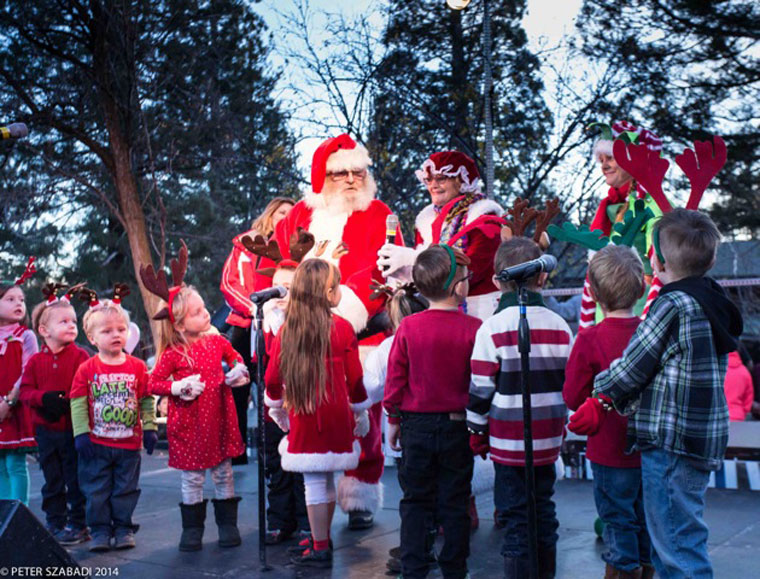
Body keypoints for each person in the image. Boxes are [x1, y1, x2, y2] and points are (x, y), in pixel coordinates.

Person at [579, 209, 743, 578]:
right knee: (685, 534)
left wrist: (600, 391)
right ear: (712, 258)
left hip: (670, 444)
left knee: (673, 547)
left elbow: (635, 364)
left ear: (656, 260)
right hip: (701, 440)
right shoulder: (713, 300)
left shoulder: (672, 305)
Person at [273, 133, 400, 529]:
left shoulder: (380, 213)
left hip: (361, 327)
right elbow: (281, 261)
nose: (350, 179)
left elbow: (385, 268)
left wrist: (345, 308)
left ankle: (360, 492)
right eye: (340, 172)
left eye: (357, 171)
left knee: (363, 413)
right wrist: (291, 308)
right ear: (323, 177)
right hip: (302, 333)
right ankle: (312, 498)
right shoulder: (299, 216)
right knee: (310, 415)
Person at [467, 237, 573, 579]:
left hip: (509, 443)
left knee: (516, 517)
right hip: (546, 442)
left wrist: (477, 430)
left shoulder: (492, 328)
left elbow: (480, 388)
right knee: (543, 510)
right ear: (542, 278)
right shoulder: (560, 327)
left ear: (498, 281)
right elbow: (568, 387)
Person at [142, 243, 250, 552]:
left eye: (205, 309)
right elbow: (153, 383)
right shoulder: (174, 353)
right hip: (190, 425)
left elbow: (237, 358)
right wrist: (177, 388)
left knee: (224, 472)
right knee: (192, 479)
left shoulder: (216, 341)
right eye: (198, 312)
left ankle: (227, 524)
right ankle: (193, 529)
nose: (206, 314)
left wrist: (237, 372)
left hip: (219, 419)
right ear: (179, 323)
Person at [264, 259, 371, 568]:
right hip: (338, 416)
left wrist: (274, 406)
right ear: (327, 292)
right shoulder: (342, 328)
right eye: (338, 285)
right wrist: (361, 412)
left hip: (305, 416)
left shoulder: (287, 331)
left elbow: (272, 379)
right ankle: (321, 538)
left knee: (314, 483)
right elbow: (356, 379)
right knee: (328, 479)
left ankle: (319, 543)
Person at [384, 245, 482, 579]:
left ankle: (413, 568)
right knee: (455, 502)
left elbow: (395, 380)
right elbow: (480, 379)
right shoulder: (475, 327)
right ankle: (455, 569)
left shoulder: (409, 328)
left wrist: (393, 420)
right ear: (457, 287)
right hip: (458, 427)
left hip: (416, 428)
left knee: (415, 502)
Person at [563, 245, 653, 579]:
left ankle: (623, 571)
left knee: (617, 518)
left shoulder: (588, 339)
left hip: (608, 449)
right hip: (649, 446)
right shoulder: (651, 333)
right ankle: (646, 568)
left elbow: (572, 396)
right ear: (640, 288)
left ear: (595, 293)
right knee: (645, 516)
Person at [70, 299, 157, 552]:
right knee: (96, 490)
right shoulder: (87, 369)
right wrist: (82, 434)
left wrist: (150, 427)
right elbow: (77, 402)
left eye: (121, 329)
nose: (116, 334)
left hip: (129, 445)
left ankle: (122, 528)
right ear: (92, 337)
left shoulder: (138, 367)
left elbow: (146, 400)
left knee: (125, 490)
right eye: (107, 331)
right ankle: (99, 530)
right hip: (96, 443)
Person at [377, 150, 504, 321]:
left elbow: (469, 272)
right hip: (437, 310)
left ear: (462, 181)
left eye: (441, 179)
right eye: (429, 179)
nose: (433, 185)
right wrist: (403, 272)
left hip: (480, 312)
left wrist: (415, 260)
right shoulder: (425, 221)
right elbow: (429, 280)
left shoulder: (484, 220)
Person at [220, 196, 295, 466]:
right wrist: (253, 309)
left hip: (280, 325)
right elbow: (229, 283)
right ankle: (237, 453)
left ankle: (274, 452)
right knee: (237, 389)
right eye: (281, 212)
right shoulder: (245, 244)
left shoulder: (293, 248)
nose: (285, 217)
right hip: (244, 323)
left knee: (273, 386)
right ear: (270, 214)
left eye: (291, 213)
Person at [580, 121, 668, 328]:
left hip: (641, 321)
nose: (603, 165)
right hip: (607, 321)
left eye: (610, 158)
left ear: (633, 159)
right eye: (601, 159)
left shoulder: (654, 204)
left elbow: (663, 261)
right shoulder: (609, 206)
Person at [20, 295, 90, 545]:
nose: (72, 325)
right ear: (43, 330)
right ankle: (55, 521)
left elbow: (86, 387)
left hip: (73, 429)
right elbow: (26, 392)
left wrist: (69, 399)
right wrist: (44, 398)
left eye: (73, 321)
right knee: (52, 478)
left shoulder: (81, 356)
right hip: (47, 431)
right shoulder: (36, 361)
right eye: (63, 321)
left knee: (75, 477)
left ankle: (79, 523)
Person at [257, 262, 311, 545]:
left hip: (301, 406)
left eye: (287, 288)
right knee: (276, 468)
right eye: (275, 288)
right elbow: (263, 363)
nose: (280, 294)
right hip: (274, 410)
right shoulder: (265, 321)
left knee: (302, 469)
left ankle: (307, 522)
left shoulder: (308, 322)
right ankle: (279, 520)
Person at [0, 266, 38, 505]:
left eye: (22, 300)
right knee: (0, 463)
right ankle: (4, 514)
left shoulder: (25, 336)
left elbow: (27, 370)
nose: (19, 304)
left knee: (15, 463)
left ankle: (20, 514)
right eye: (10, 299)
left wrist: (8, 402)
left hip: (14, 406)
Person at [723, 350, 753, 421]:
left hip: (721, 415)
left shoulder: (720, 371)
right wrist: (744, 411)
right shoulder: (745, 372)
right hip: (738, 416)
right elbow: (748, 400)